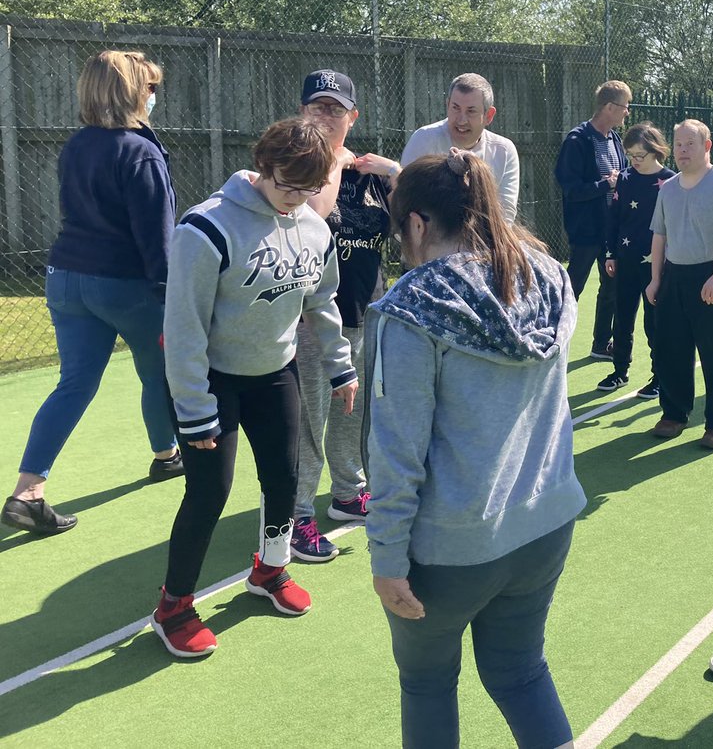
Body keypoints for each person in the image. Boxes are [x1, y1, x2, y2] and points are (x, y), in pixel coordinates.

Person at [365, 153, 585, 748]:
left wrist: (385, 556)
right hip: (546, 522)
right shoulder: (548, 275)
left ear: (414, 224)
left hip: (450, 548)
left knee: (428, 685)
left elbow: (396, 449)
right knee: (521, 672)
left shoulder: (410, 309)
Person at [152, 117, 357, 658]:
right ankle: (173, 606)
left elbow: (322, 302)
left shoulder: (314, 228)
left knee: (283, 479)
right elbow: (183, 328)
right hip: (213, 382)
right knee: (209, 493)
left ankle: (270, 570)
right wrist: (194, 407)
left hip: (276, 373)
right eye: (288, 185)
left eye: (310, 189)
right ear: (264, 167)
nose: (297, 199)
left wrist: (342, 366)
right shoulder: (206, 228)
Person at [2, 50, 180, 538]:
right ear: (135, 92)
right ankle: (167, 456)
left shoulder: (77, 145)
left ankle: (27, 491)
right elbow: (157, 234)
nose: (155, 96)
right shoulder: (141, 151)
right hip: (123, 284)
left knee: (74, 383)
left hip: (65, 277)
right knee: (158, 372)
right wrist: (170, 294)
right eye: (151, 87)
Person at [290, 70, 399, 562]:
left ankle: (347, 493)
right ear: (302, 113)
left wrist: (394, 174)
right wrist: (332, 161)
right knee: (308, 420)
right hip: (311, 318)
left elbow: (411, 229)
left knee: (350, 414)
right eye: (317, 107)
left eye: (336, 109)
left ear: (353, 117)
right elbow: (314, 213)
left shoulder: (370, 174)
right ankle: (295, 517)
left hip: (363, 309)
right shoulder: (295, 167)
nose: (325, 116)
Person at [644, 119, 713, 450]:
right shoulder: (668, 188)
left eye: (690, 143)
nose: (683, 150)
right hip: (675, 277)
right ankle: (674, 414)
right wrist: (656, 279)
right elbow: (660, 235)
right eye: (679, 144)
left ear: (707, 146)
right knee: (671, 349)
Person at [555, 80, 630, 360]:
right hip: (586, 231)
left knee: (611, 287)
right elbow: (571, 189)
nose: (627, 112)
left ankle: (601, 344)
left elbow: (620, 180)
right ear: (609, 107)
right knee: (572, 290)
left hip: (612, 230)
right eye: (624, 107)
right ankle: (555, 347)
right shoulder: (577, 141)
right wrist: (604, 185)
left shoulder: (615, 139)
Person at [598, 122, 674, 397]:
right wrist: (611, 254)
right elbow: (614, 219)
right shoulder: (626, 178)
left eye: (640, 155)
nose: (634, 161)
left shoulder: (671, 181)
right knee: (623, 318)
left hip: (657, 265)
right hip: (626, 261)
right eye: (630, 155)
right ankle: (620, 371)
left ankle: (660, 377)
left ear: (656, 151)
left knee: (654, 323)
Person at [401, 73, 519, 222]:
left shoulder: (504, 151)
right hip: (428, 240)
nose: (461, 120)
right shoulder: (424, 140)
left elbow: (505, 216)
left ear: (489, 115)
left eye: (471, 111)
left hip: (484, 241)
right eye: (455, 108)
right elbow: (404, 203)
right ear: (447, 105)